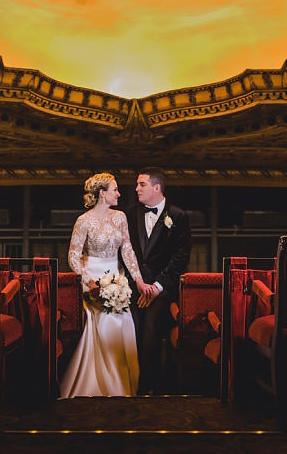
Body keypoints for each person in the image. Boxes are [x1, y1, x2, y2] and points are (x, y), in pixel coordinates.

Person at [59, 173, 152, 397]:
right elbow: (73, 255)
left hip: (116, 279)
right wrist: (86, 279)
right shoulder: (84, 220)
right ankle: (100, 386)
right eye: (115, 189)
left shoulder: (120, 217)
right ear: (102, 193)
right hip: (92, 278)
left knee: (123, 327)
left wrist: (138, 280)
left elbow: (127, 250)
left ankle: (122, 386)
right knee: (103, 325)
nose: (119, 194)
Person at [126, 167, 192, 395]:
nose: (136, 189)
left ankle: (148, 387)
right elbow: (125, 253)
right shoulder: (130, 214)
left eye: (141, 184)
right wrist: (137, 283)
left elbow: (181, 257)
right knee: (130, 328)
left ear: (156, 187)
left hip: (162, 290)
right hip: (133, 287)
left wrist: (157, 287)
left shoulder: (178, 216)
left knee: (152, 329)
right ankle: (128, 383)